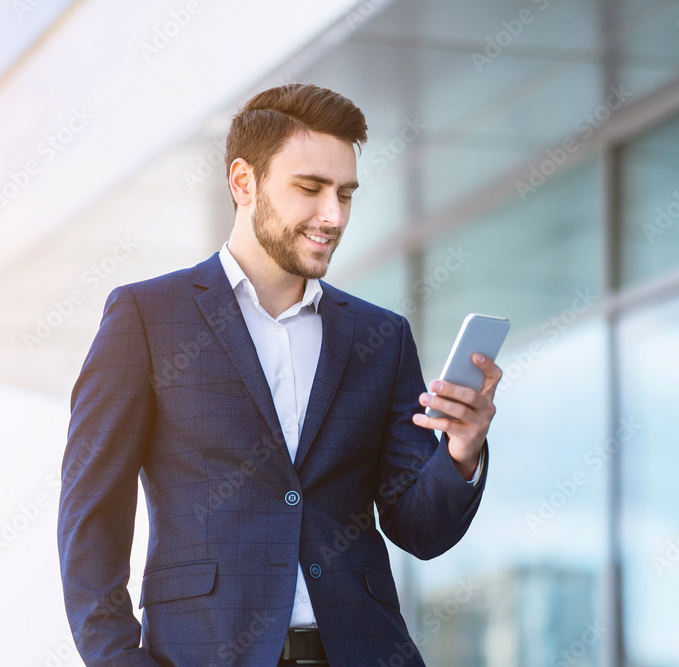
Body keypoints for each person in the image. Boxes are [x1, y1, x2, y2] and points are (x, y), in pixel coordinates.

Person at [57, 83, 501, 667]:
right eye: (310, 189)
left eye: (346, 194)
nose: (333, 216)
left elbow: (418, 527)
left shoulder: (380, 338)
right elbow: (91, 516)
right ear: (244, 182)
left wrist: (462, 452)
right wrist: (119, 659)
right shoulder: (146, 318)